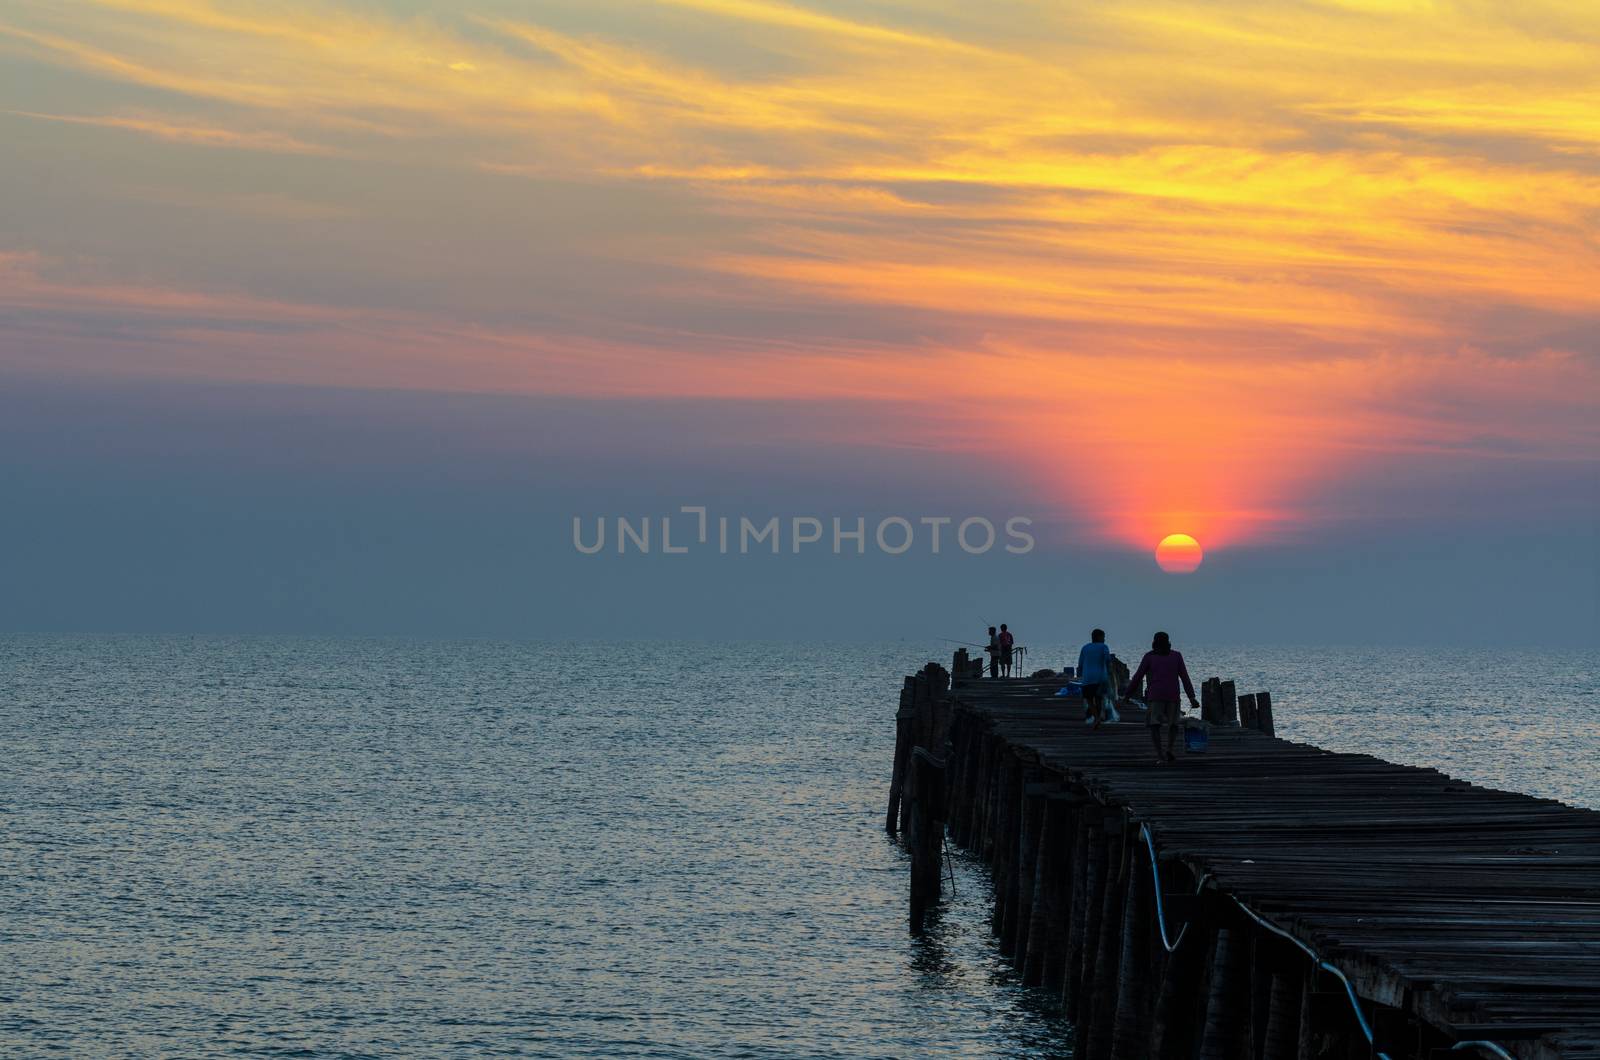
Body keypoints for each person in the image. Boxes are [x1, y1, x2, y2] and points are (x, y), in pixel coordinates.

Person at [1126, 631, 1198, 764]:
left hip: (1156, 696)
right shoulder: (1176, 656)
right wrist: (1192, 697)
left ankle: (1160, 755)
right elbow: (1184, 677)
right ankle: (1169, 748)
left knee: (1154, 725)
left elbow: (1137, 677)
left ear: (1154, 643)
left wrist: (1127, 694)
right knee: (1173, 724)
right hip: (1173, 695)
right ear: (1168, 643)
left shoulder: (1149, 657)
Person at [1077, 628, 1111, 729]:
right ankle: (1098, 717)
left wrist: (1080, 675)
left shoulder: (1085, 648)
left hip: (1087, 678)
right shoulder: (1104, 647)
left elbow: (1080, 664)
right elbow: (1108, 660)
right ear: (1099, 637)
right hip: (1100, 678)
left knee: (1089, 699)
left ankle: (1096, 717)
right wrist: (1109, 672)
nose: (1104, 639)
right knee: (1099, 698)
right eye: (1103, 637)